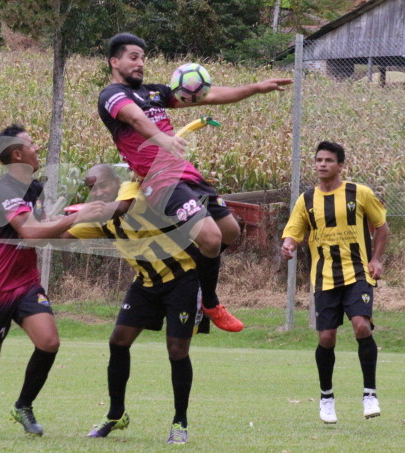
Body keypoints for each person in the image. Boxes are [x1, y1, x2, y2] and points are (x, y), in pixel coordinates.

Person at [99, 32, 293, 332]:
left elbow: (210, 95)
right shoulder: (111, 95)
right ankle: (211, 302)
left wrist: (255, 88)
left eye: (143, 58)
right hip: (160, 181)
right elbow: (136, 119)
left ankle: (185, 267)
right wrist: (163, 138)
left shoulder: (155, 93)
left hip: (186, 174)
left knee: (230, 230)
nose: (140, 64)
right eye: (133, 58)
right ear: (114, 61)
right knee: (211, 238)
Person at [0, 124, 106, 436]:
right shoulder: (5, 190)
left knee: (49, 342)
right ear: (17, 154)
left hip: (25, 282)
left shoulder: (32, 187)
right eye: (32, 144)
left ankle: (23, 406)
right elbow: (30, 231)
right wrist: (77, 216)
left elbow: (44, 230)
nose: (37, 149)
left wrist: (91, 224)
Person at [63, 163, 207, 445]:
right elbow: (63, 235)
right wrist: (38, 222)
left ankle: (180, 422)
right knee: (118, 341)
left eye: (103, 185)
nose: (98, 192)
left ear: (116, 182)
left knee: (177, 351)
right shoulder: (101, 218)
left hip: (181, 278)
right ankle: (116, 414)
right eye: (92, 188)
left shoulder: (136, 196)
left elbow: (121, 205)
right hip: (145, 284)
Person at [281, 141, 389, 424]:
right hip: (324, 276)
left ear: (341, 165)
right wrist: (289, 245)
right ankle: (326, 397)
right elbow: (293, 231)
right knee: (326, 337)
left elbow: (382, 227)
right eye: (318, 160)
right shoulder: (306, 200)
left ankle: (369, 394)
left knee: (361, 326)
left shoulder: (359, 193)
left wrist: (376, 259)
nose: (322, 164)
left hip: (358, 273)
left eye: (328, 160)